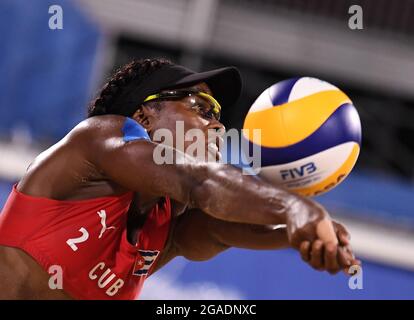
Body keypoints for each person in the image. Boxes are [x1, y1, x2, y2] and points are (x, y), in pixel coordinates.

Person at [0, 58, 359, 300]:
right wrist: (295, 209)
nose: (217, 125)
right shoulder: (98, 139)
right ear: (144, 115)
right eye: (201, 107)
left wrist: (303, 237)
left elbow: (221, 228)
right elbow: (201, 182)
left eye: (218, 115)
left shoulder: (165, 222)